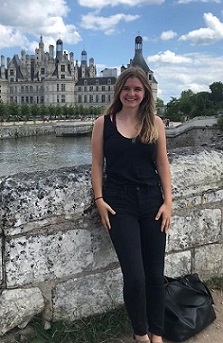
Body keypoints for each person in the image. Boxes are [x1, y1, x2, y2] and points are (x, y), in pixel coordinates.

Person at [91, 67, 172, 343]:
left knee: (155, 274)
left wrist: (168, 202)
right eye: (127, 88)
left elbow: (162, 164)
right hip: (119, 203)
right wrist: (99, 199)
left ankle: (157, 333)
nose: (132, 93)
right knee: (135, 276)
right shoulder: (104, 123)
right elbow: (96, 164)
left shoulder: (155, 123)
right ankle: (141, 334)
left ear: (145, 93)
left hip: (151, 200)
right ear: (119, 91)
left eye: (137, 89)